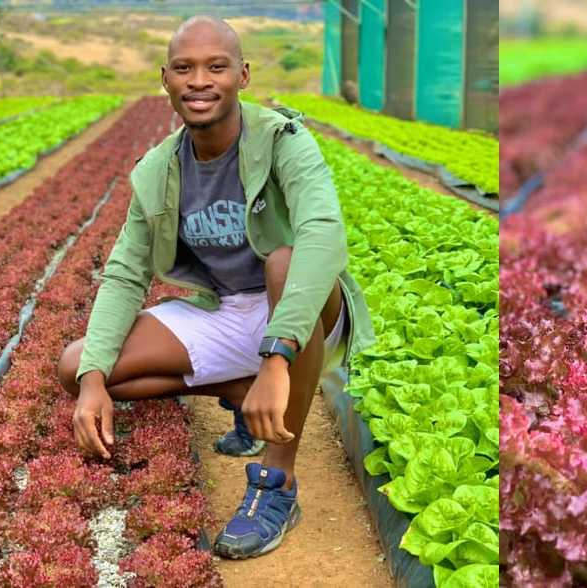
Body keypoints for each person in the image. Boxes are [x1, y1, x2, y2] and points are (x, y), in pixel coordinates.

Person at [55, 15, 375, 559]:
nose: (199, 80)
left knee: (284, 260)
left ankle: (278, 483)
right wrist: (90, 382)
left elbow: (324, 236)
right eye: (184, 68)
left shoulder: (283, 141)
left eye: (216, 67)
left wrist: (276, 358)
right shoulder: (159, 170)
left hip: (303, 307)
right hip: (228, 310)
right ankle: (236, 390)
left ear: (242, 75)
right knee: (77, 364)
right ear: (166, 79)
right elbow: (125, 273)